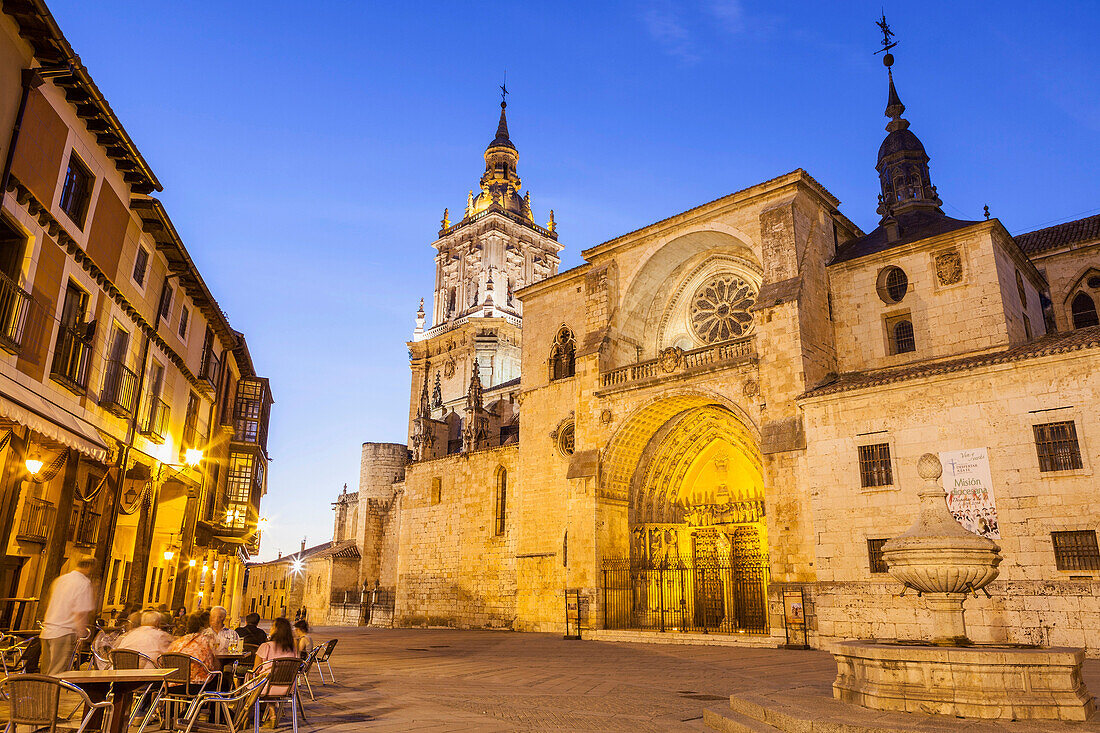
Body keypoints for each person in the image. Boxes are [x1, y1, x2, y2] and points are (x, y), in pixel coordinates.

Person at [40, 556, 95, 675]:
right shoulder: (83, 583)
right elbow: (80, 612)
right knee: (57, 673)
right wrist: (82, 634)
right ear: (89, 567)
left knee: (45, 672)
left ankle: (41, 693)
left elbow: (49, 602)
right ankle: (51, 694)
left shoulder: (60, 580)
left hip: (47, 631)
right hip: (64, 632)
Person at [254, 618, 299, 696]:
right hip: (288, 687)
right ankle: (272, 707)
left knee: (249, 677)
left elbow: (256, 670)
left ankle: (246, 705)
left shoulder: (266, 646)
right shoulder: (293, 649)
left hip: (265, 687)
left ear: (275, 629)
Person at [167, 614, 218, 683]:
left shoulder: (177, 643)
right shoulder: (204, 642)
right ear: (203, 627)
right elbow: (211, 666)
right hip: (196, 685)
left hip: (171, 684)